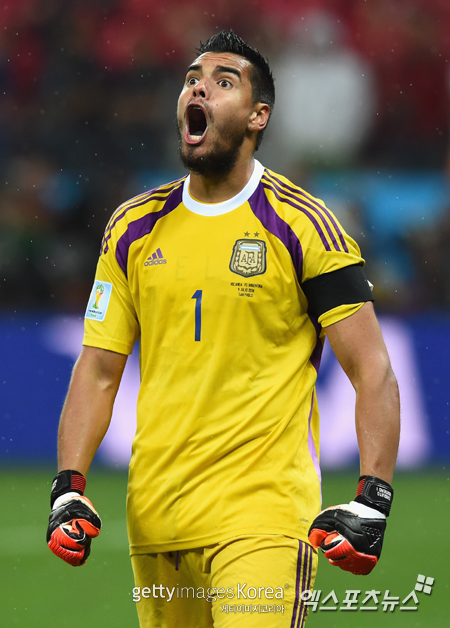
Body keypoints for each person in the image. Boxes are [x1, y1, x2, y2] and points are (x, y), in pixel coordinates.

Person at [46, 30, 400, 628]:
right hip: (156, 520)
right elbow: (100, 369)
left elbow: (374, 371)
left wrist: (374, 499)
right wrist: (68, 486)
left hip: (262, 515)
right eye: (191, 78)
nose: (199, 86)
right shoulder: (132, 227)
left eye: (223, 81)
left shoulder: (304, 225)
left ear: (258, 116)